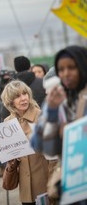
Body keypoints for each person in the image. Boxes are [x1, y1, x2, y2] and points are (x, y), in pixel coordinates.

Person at [33, 45, 87, 204]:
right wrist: (52, 111)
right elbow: (38, 144)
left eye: (71, 67)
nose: (66, 73)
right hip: (72, 181)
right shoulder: (55, 101)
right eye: (61, 69)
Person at [0, 80, 51, 205]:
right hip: (25, 187)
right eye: (17, 96)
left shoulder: (43, 116)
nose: (23, 99)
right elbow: (10, 154)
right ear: (10, 101)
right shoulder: (7, 122)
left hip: (45, 182)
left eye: (25, 94)